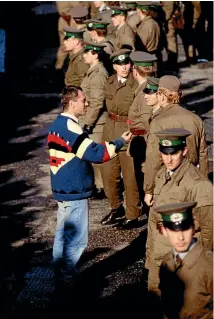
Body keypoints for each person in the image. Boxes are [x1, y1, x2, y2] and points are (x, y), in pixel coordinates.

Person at [47, 86, 132, 281]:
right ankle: (66, 280)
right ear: (72, 102)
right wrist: (119, 142)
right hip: (74, 191)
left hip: (62, 191)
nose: (87, 103)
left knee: (62, 236)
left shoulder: (57, 125)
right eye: (83, 100)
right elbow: (96, 154)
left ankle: (60, 273)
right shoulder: (71, 128)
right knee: (75, 240)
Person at [145, 128, 213, 295]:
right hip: (159, 258)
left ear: (184, 151)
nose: (168, 159)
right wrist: (149, 258)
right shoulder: (162, 175)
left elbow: (209, 229)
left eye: (174, 153)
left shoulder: (197, 184)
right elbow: (154, 220)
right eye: (164, 153)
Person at [143, 75, 208, 208]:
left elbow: (153, 159)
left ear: (161, 95)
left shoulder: (158, 121)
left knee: (163, 225)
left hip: (166, 182)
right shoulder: (195, 119)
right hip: (191, 180)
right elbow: (203, 156)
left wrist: (149, 190)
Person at [100, 49, 142, 230]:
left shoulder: (136, 85)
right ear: (114, 66)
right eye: (120, 64)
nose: (124, 67)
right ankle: (116, 207)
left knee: (130, 177)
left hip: (128, 131)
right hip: (110, 131)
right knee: (108, 174)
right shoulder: (109, 82)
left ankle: (133, 215)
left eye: (127, 64)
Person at [157, 201, 213, 319]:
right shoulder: (167, 262)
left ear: (193, 229)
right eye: (174, 231)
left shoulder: (208, 264)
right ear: (165, 231)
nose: (181, 237)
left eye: (185, 229)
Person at [80, 42, 109, 199]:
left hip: (96, 124)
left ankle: (102, 187)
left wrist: (87, 124)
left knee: (97, 157)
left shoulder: (97, 75)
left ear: (95, 55)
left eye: (87, 53)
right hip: (93, 121)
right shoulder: (93, 72)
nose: (84, 55)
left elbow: (97, 102)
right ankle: (99, 186)